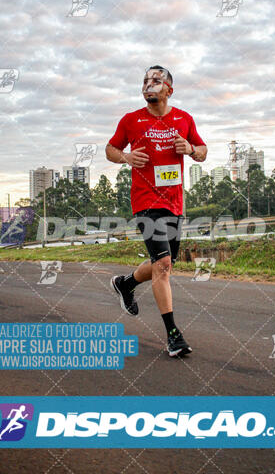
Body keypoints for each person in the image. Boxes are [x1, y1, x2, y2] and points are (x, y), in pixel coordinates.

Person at [106, 66, 207, 357]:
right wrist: (125, 156)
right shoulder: (131, 120)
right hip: (145, 201)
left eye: (156, 80)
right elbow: (110, 149)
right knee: (163, 265)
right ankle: (174, 336)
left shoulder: (184, 119)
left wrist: (190, 148)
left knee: (165, 264)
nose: (149, 84)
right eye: (145, 80)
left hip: (174, 202)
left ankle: (125, 283)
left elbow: (202, 150)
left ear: (168, 90)